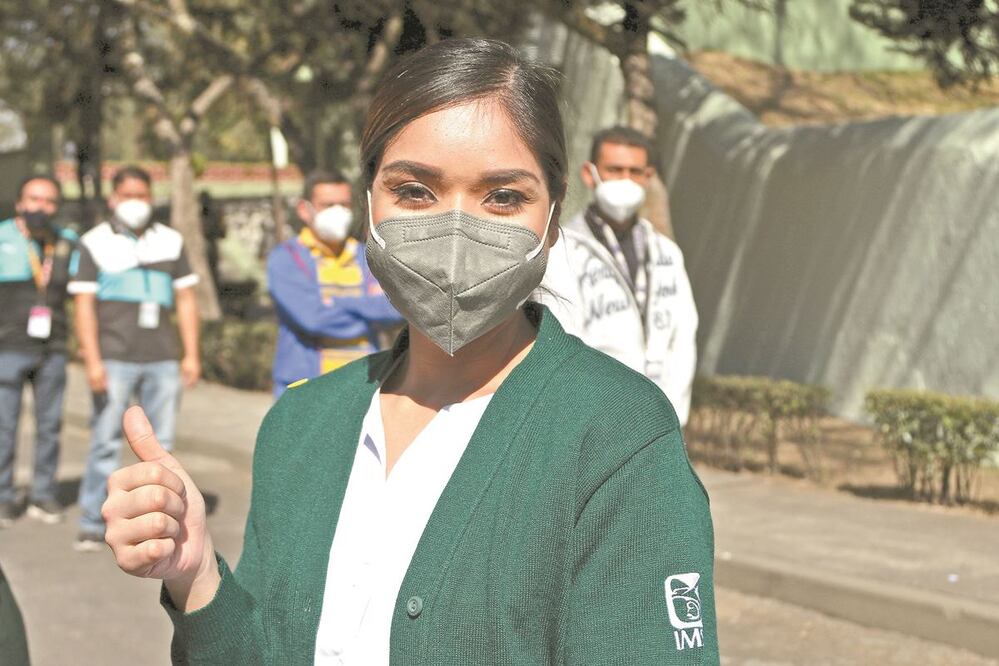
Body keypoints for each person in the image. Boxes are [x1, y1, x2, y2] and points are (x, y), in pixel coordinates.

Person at [102, 39, 718, 664]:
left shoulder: (616, 436)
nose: (455, 230)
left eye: (503, 196)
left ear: (554, 215)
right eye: (415, 191)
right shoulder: (300, 427)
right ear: (369, 199)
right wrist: (198, 574)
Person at [68, 165, 201, 552]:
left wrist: (190, 355)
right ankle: (93, 520)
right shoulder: (93, 242)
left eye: (142, 196)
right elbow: (84, 305)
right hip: (114, 358)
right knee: (106, 440)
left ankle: (160, 518)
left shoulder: (170, 241)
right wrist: (92, 360)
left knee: (162, 443)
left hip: (162, 357)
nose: (136, 204)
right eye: (127, 196)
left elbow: (186, 300)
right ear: (113, 199)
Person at [537, 126, 699, 426]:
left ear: (648, 178)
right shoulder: (563, 249)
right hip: (593, 419)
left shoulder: (666, 253)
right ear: (590, 174)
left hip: (659, 419)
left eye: (635, 171)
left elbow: (684, 335)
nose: (625, 180)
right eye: (614, 169)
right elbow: (561, 340)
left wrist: (674, 416)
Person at [267, 170, 402, 398]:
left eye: (344, 205)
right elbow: (313, 319)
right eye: (328, 205)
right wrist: (369, 313)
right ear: (304, 210)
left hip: (362, 387)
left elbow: (397, 307)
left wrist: (339, 302)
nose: (338, 212)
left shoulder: (368, 257)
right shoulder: (286, 258)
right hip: (305, 389)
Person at [0, 176, 78, 528]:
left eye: (48, 201)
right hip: (8, 348)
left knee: (49, 426)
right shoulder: (3, 237)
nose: (40, 207)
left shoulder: (67, 243)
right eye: (33, 199)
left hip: (53, 349)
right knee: (4, 426)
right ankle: (3, 496)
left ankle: (43, 494)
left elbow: (85, 294)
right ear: (19, 203)